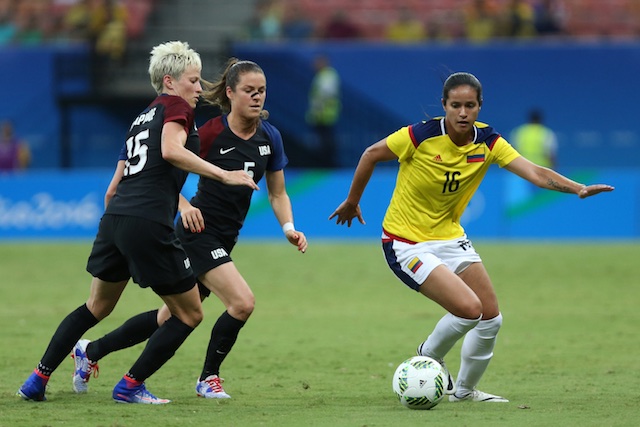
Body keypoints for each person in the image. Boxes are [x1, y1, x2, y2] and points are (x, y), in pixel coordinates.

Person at [329, 72, 614, 403]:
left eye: (469, 106)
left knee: (491, 317)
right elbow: (370, 154)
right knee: (468, 310)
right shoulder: (419, 136)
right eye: (455, 106)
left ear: (480, 107)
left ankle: (463, 392)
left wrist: (577, 187)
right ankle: (427, 355)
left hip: (450, 237)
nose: (462, 113)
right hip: (405, 241)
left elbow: (534, 172)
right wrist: (352, 201)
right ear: (444, 106)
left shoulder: (488, 141)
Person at [16, 41, 258, 404]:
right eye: (193, 79)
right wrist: (225, 176)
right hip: (146, 221)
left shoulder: (140, 119)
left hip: (115, 219)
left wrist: (122, 225)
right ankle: (130, 385)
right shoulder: (176, 107)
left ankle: (37, 379)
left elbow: (113, 189)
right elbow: (171, 151)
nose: (198, 87)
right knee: (190, 313)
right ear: (169, 81)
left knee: (95, 307)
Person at [68, 58, 308, 400]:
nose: (257, 97)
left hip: (225, 238)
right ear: (230, 93)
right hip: (198, 232)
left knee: (170, 317)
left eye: (262, 91)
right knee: (242, 303)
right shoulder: (209, 131)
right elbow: (165, 165)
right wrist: (184, 205)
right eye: (249, 91)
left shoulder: (271, 137)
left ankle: (90, 352)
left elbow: (278, 192)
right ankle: (206, 378)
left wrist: (288, 226)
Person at [306, 54, 341, 167]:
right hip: (320, 114)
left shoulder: (327, 75)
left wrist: (318, 109)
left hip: (325, 115)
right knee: (322, 140)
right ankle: (323, 162)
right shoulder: (322, 75)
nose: (314, 65)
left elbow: (325, 94)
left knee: (326, 141)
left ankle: (327, 163)